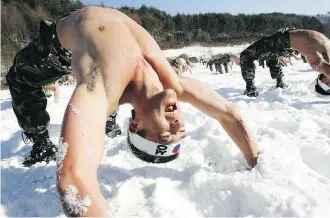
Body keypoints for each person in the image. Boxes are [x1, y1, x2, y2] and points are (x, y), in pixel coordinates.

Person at [46, 6, 260, 216]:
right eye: (181, 131)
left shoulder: (104, 87)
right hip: (83, 12)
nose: (177, 125)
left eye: (165, 134)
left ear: (135, 124)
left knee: (21, 83)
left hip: (50, 45)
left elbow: (73, 179)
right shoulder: (173, 84)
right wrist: (257, 161)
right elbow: (228, 114)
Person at [5, 14, 122, 167]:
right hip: (107, 39)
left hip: (67, 38)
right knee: (108, 77)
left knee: (18, 78)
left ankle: (42, 146)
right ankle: (108, 123)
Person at [240, 28, 330, 97]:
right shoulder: (320, 60)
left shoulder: (322, 55)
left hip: (288, 40)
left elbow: (324, 66)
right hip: (286, 41)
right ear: (323, 80)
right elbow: (325, 67)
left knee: (246, 55)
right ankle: (279, 82)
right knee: (270, 53)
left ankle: (251, 89)